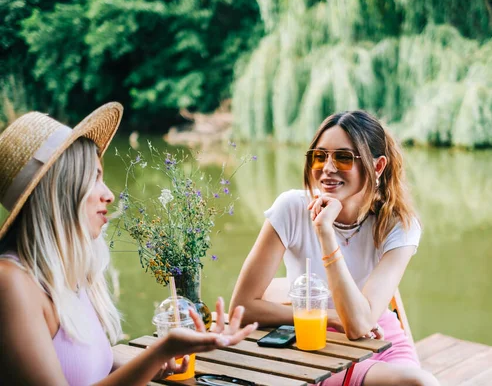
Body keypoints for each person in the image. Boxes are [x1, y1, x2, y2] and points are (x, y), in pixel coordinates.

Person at [0, 103, 258, 385]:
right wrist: (162, 349)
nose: (109, 195)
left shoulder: (69, 273)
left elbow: (88, 370)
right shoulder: (11, 283)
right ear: (60, 190)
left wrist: (154, 363)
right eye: (94, 178)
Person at [230, 111, 439, 386]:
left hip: (380, 340)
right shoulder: (291, 208)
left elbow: (361, 324)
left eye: (343, 157)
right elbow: (242, 308)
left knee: (419, 383)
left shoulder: (398, 224)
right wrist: (328, 317)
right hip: (315, 343)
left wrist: (325, 233)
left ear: (377, 166)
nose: (327, 168)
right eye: (320, 156)